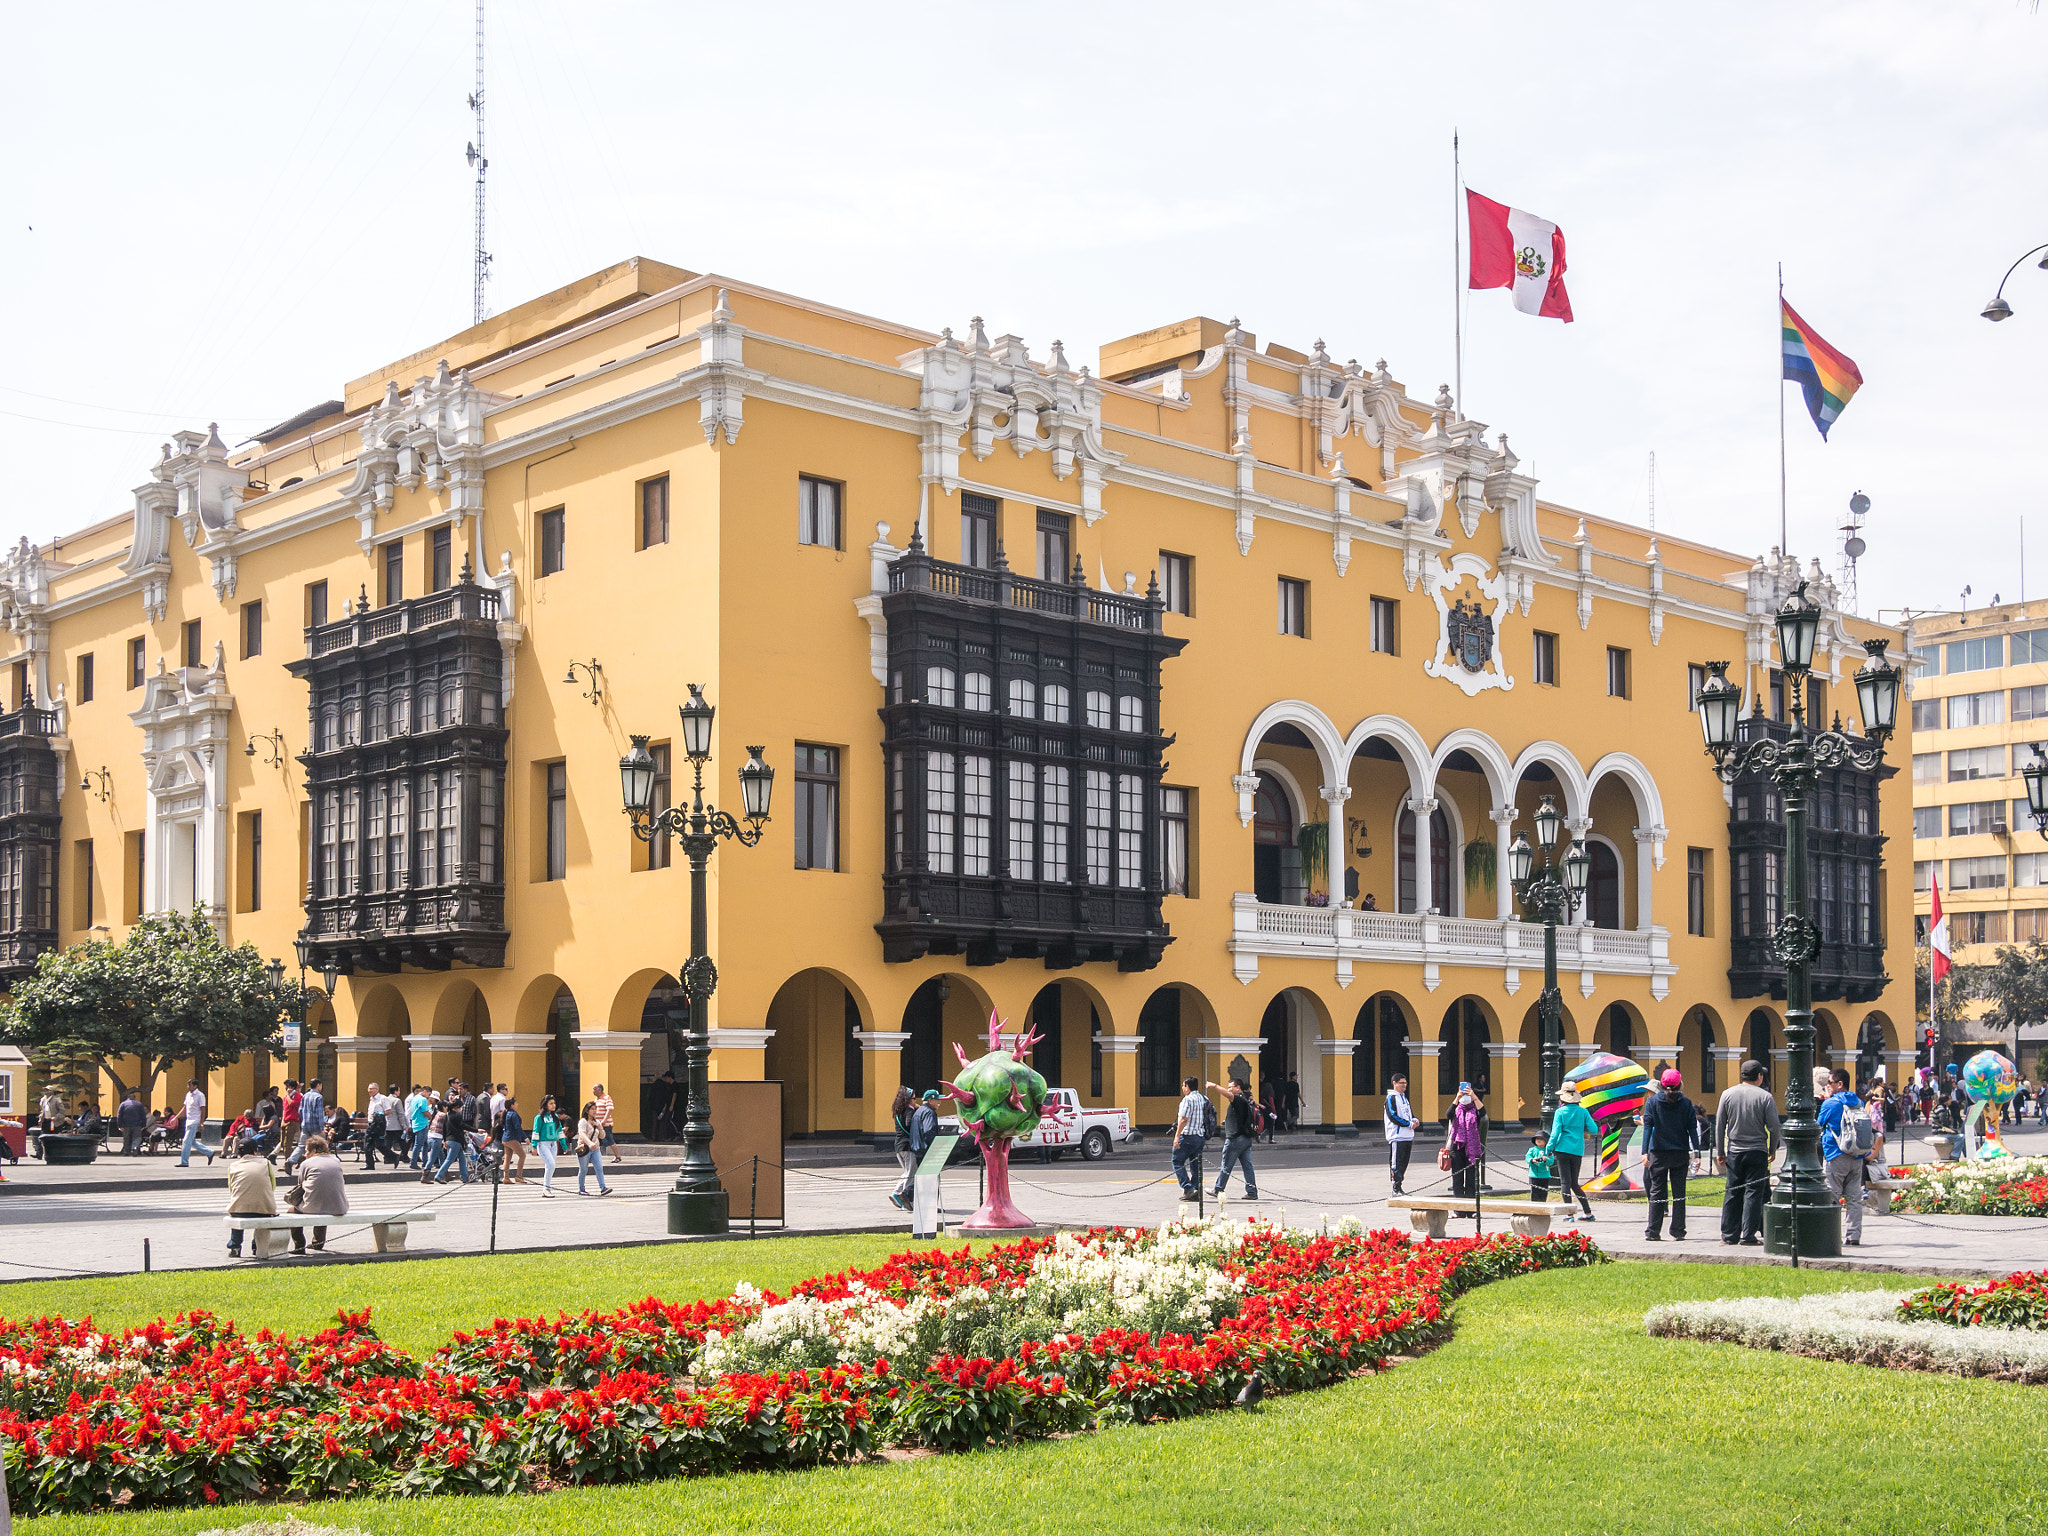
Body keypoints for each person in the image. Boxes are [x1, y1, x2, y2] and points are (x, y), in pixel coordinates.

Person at [1714, 1059, 1781, 1247]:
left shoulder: (1727, 1094)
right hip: (1757, 1151)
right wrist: (1772, 1148)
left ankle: (1728, 1234)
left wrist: (1720, 1150)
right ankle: (1748, 1234)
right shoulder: (1765, 1097)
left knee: (1733, 1192)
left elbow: (1719, 1125)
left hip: (1735, 1151)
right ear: (1759, 1076)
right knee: (1753, 1193)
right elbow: (1774, 1127)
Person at [1640, 1068, 1698, 1241]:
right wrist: (1696, 1151)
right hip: (1680, 1152)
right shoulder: (1686, 1103)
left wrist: (1644, 1151)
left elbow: (1648, 1128)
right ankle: (1678, 1230)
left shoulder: (1652, 1103)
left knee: (1657, 1192)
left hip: (1658, 1152)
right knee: (1679, 1193)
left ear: (1662, 1084)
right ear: (1680, 1084)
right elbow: (1692, 1129)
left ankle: (1653, 1231)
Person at [1818, 1068, 1871, 1247]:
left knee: (1832, 1196)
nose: (1827, 1086)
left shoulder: (1830, 1104)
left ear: (1839, 1084)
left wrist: (1826, 1102)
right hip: (1856, 1155)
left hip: (1835, 1154)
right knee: (1854, 1198)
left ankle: (1829, 1234)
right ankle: (1853, 1236)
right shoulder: (1858, 1102)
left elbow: (1818, 1124)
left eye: (1830, 1083)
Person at [1543, 1082, 1599, 1220]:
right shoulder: (1583, 1111)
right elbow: (1594, 1129)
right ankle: (1588, 1212)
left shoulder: (1560, 1112)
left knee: (1565, 1183)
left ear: (1562, 1098)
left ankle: (1569, 1214)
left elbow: (1555, 1133)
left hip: (1562, 1149)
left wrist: (1548, 1149)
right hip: (1577, 1150)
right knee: (1574, 1182)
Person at [288, 1134, 348, 1254]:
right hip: (339, 1207)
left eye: (306, 1151)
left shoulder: (306, 1163)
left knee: (292, 1212)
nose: (305, 1155)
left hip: (315, 1206)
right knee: (323, 1202)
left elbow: (300, 1186)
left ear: (314, 1150)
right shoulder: (336, 1160)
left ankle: (299, 1245)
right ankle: (318, 1242)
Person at [224, 1133, 278, 1258]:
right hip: (264, 1209)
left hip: (239, 1209)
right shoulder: (266, 1163)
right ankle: (256, 1246)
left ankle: (235, 1246)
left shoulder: (233, 1166)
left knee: (237, 1210)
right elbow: (273, 1185)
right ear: (255, 1151)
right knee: (261, 1218)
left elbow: (232, 1189)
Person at [1210, 1078, 1259, 1201]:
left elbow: (1227, 1095)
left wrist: (1214, 1085)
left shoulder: (1238, 1099)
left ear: (1238, 1088)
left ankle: (1218, 1189)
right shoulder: (1246, 1100)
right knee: (1247, 1166)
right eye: (1228, 1087)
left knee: (1226, 1165)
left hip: (1236, 1139)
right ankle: (1252, 1192)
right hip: (1246, 1138)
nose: (1229, 1089)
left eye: (1231, 1087)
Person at [1171, 1075, 1211, 1200]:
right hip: (1199, 1135)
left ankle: (1188, 1188)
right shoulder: (1203, 1098)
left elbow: (1183, 1119)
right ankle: (1196, 1190)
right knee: (1196, 1165)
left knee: (1177, 1161)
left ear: (1187, 1087)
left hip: (1188, 1136)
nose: (1182, 1088)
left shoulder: (1187, 1100)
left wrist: (1177, 1137)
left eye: (1183, 1085)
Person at [1446, 1083, 1484, 1202]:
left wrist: (1473, 1095)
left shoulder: (1474, 1110)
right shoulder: (1456, 1109)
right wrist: (1457, 1097)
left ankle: (1471, 1209)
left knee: (1471, 1179)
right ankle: (1459, 1209)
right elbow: (1448, 1114)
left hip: (1471, 1148)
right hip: (1457, 1147)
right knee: (1457, 1179)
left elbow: (1483, 1112)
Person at [1384, 1073, 1416, 1196]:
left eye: (1405, 1083)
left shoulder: (1404, 1098)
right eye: (1401, 1083)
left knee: (1404, 1162)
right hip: (1397, 1136)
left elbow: (1408, 1114)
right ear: (1394, 1083)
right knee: (1396, 1162)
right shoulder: (1391, 1098)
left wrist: (1414, 1120)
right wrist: (1408, 1124)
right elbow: (1393, 1116)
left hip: (1408, 1135)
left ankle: (1400, 1186)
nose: (1404, 1085)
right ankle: (1395, 1187)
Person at [887, 1085, 917, 1210]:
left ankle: (895, 1193)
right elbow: (909, 1124)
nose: (916, 1101)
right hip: (907, 1146)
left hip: (898, 1146)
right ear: (909, 1099)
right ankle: (906, 1200)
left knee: (906, 1173)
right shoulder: (909, 1110)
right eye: (914, 1098)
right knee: (911, 1174)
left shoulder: (898, 1111)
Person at [574, 1101, 612, 1195]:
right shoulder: (583, 1121)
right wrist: (589, 1143)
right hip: (584, 1148)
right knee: (583, 1169)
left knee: (599, 1167)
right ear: (587, 1111)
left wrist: (599, 1127)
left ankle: (603, 1187)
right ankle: (581, 1189)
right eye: (592, 1109)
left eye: (596, 1109)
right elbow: (582, 1134)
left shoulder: (597, 1122)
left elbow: (602, 1136)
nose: (595, 1111)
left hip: (596, 1149)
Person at [533, 1093, 567, 1197]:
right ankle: (546, 1188)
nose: (553, 1105)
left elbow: (560, 1131)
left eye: (554, 1103)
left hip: (554, 1144)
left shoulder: (556, 1117)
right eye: (551, 1103)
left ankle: (546, 1188)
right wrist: (534, 1146)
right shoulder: (539, 1117)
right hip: (543, 1144)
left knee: (550, 1166)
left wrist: (564, 1145)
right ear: (545, 1105)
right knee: (551, 1164)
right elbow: (536, 1131)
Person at [177, 1078, 215, 1167]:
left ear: (195, 1086)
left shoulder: (200, 1095)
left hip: (195, 1121)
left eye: (190, 1085)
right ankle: (209, 1152)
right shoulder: (188, 1095)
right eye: (188, 1085)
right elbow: (185, 1108)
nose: (188, 1087)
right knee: (191, 1141)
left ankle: (184, 1162)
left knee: (186, 1141)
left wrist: (201, 1123)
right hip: (188, 1120)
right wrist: (175, 1118)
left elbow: (203, 1110)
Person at [291, 1079, 326, 1169]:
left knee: (301, 1145)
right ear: (318, 1085)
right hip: (316, 1126)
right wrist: (322, 1127)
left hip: (305, 1125)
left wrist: (303, 1120)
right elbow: (319, 1113)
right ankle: (319, 1165)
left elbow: (300, 1111)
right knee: (320, 1145)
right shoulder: (318, 1097)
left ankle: (290, 1161)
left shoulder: (305, 1096)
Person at [590, 1082, 623, 1164]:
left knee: (610, 1140)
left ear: (599, 1090)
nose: (593, 1091)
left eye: (594, 1089)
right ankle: (592, 1157)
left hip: (605, 1124)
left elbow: (609, 1109)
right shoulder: (597, 1099)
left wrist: (604, 1120)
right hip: (597, 1124)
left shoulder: (607, 1098)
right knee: (594, 1139)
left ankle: (617, 1156)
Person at [500, 1094, 528, 1183]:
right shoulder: (514, 1114)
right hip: (512, 1138)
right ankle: (519, 1175)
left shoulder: (506, 1112)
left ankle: (506, 1177)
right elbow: (517, 1127)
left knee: (507, 1158)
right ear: (512, 1105)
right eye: (516, 1103)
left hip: (505, 1138)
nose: (517, 1104)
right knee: (522, 1155)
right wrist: (525, 1137)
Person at [115, 1091, 148, 1156]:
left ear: (128, 1097)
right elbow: (143, 1115)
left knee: (126, 1138)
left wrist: (119, 1125)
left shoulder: (123, 1104)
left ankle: (126, 1151)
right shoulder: (139, 1104)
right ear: (134, 1098)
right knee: (137, 1137)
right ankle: (135, 1148)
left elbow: (119, 1115)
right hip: (137, 1124)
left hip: (126, 1124)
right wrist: (143, 1125)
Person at [651, 1069, 680, 1141]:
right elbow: (667, 1097)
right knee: (665, 1120)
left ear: (670, 1077)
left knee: (669, 1120)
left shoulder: (675, 1085)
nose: (665, 1079)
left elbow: (674, 1095)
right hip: (668, 1105)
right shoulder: (668, 1086)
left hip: (672, 1106)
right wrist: (665, 1106)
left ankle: (677, 1133)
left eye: (666, 1077)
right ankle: (671, 1135)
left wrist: (672, 1105)